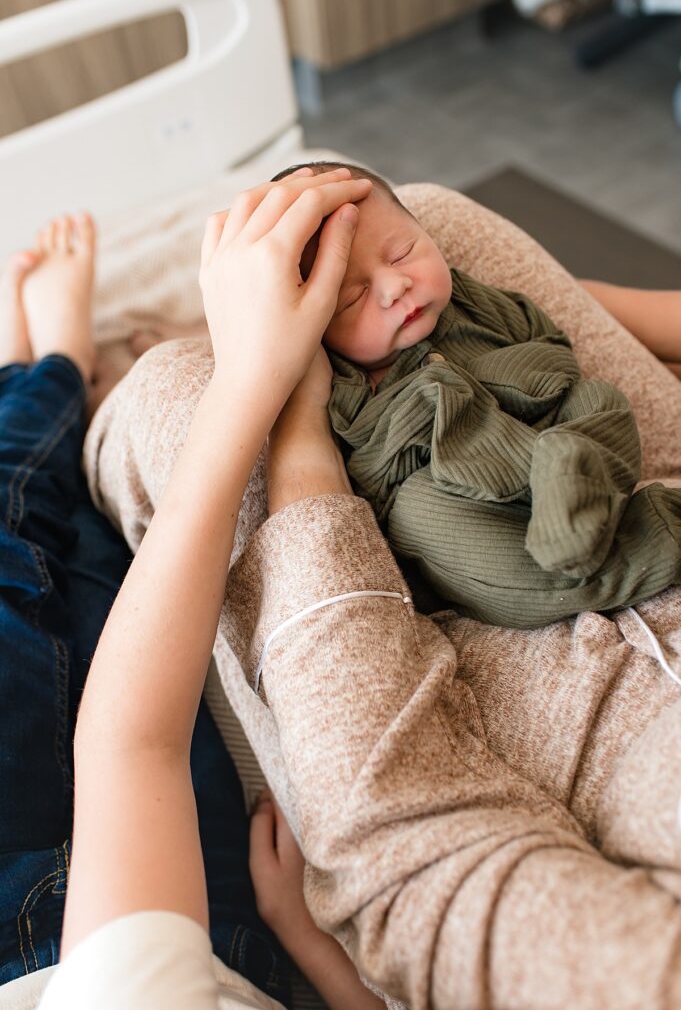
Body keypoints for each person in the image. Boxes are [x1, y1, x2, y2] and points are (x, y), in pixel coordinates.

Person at [79, 164, 681, 1010]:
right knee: (421, 215)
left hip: (489, 681)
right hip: (651, 506)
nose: (395, 283)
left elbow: (405, 854)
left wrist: (283, 402)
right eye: (363, 289)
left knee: (176, 387)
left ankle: (79, 383)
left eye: (400, 260)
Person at [0, 190, 382, 1010]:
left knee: (18, 536)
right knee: (91, 554)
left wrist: (250, 380)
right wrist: (316, 954)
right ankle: (59, 381)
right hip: (220, 939)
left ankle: (43, 371)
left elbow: (131, 745)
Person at [268, 162, 681, 630]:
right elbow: (373, 482)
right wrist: (443, 404)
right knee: (418, 515)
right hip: (468, 507)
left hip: (553, 436)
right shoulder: (342, 383)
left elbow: (553, 351)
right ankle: (656, 530)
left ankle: (571, 489)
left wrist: (501, 384)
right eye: (352, 298)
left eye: (403, 253)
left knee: (598, 400)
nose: (393, 287)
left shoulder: (471, 301)